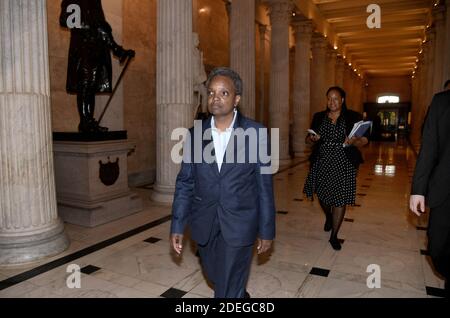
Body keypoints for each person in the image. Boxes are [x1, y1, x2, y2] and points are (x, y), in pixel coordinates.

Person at [170, 67, 276, 298]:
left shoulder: (255, 133)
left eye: (224, 93)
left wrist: (267, 230)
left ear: (236, 98)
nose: (215, 98)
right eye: (211, 93)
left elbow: (264, 187)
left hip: (240, 222)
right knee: (215, 276)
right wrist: (178, 225)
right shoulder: (195, 135)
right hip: (204, 222)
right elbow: (185, 183)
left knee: (227, 288)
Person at [303, 86, 369, 250]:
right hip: (322, 160)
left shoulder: (353, 117)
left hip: (344, 161)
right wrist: (312, 138)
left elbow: (365, 140)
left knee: (340, 198)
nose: (331, 102)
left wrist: (354, 141)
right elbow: (308, 139)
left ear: (342, 100)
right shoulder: (319, 117)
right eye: (329, 99)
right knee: (322, 195)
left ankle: (334, 236)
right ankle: (329, 216)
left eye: (335, 99)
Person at [60, 0, 135, 133]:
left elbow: (102, 25)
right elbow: (64, 20)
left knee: (91, 86)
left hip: (97, 48)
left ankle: (89, 121)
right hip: (82, 47)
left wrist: (114, 46)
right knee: (85, 84)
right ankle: (84, 122)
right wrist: (89, 26)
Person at [410, 89, 450, 297]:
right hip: (445, 188)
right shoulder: (442, 101)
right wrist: (418, 190)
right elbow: (430, 146)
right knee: (436, 246)